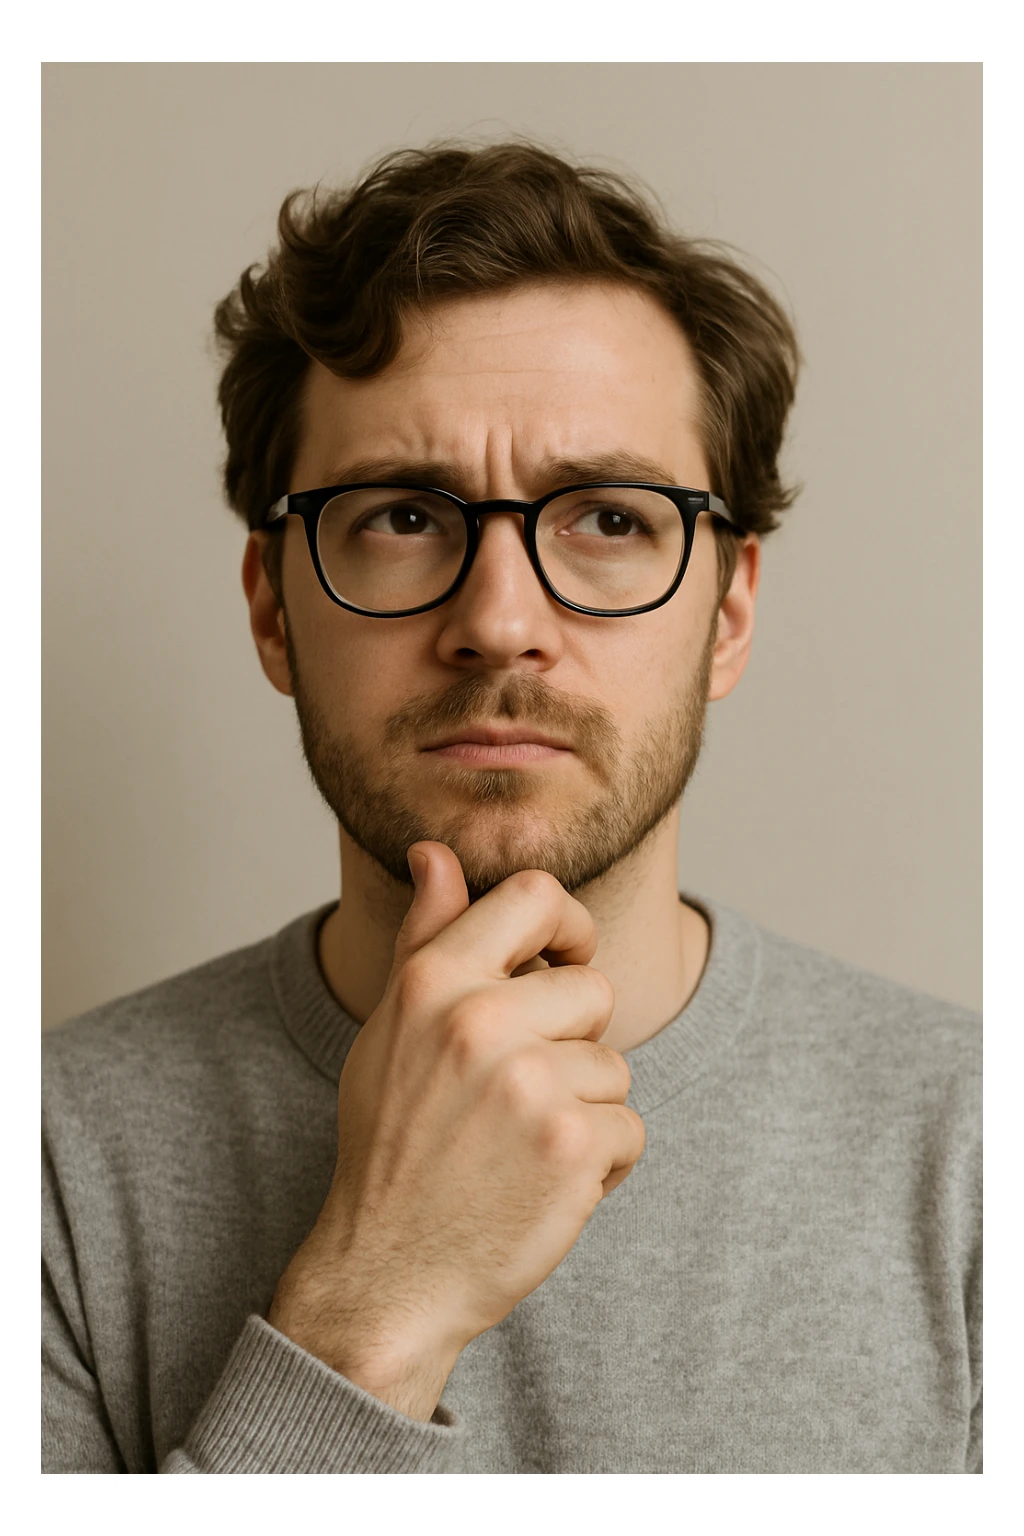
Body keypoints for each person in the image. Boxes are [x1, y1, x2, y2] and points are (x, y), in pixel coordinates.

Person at [42, 142, 981, 1475]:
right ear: (271, 608)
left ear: (730, 611)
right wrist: (374, 1308)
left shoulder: (975, 1157)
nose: (499, 623)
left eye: (607, 518)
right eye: (403, 516)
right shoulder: (48, 1168)